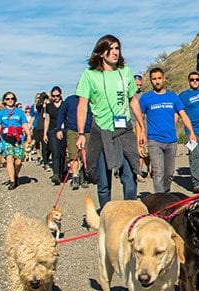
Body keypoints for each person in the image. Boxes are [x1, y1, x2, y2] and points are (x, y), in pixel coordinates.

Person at [74, 35, 145, 210]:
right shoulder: (89, 75)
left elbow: (133, 100)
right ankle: (107, 216)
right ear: (100, 52)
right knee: (104, 182)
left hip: (124, 131)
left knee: (130, 178)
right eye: (110, 48)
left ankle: (130, 214)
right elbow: (82, 105)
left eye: (117, 48)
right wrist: (81, 133)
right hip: (101, 131)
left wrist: (142, 127)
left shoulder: (125, 72)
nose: (114, 52)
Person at [139, 67, 197, 193]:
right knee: (158, 172)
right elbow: (139, 120)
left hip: (171, 141)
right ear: (151, 81)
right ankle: (160, 202)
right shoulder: (146, 98)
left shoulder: (173, 97)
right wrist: (140, 136)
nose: (157, 81)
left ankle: (165, 195)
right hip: (154, 141)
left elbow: (184, 115)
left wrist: (191, 132)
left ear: (164, 79)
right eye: (154, 79)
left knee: (169, 173)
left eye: (159, 78)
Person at [0, 92, 30, 190]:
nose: (10, 100)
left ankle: (16, 176)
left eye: (12, 98)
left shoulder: (19, 112)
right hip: (6, 138)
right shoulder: (1, 113)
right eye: (8, 99)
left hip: (18, 139)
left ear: (15, 99)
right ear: (4, 100)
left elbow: (25, 124)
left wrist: (29, 135)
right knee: (9, 158)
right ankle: (12, 181)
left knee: (18, 162)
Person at [56, 93, 93, 190]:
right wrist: (59, 129)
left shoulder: (90, 100)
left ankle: (83, 174)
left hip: (87, 131)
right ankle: (75, 176)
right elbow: (61, 114)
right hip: (73, 130)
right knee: (73, 154)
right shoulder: (70, 100)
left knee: (86, 155)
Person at [43, 86, 66, 185]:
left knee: (62, 152)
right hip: (52, 130)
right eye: (53, 96)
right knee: (55, 151)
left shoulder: (65, 105)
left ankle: (61, 173)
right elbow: (47, 119)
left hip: (64, 130)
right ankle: (56, 173)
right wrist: (45, 133)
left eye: (57, 95)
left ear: (61, 95)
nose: (56, 97)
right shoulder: (48, 106)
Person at [132, 73, 150, 180]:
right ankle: (138, 171)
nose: (138, 87)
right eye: (136, 85)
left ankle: (148, 170)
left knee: (144, 149)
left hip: (143, 125)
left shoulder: (144, 96)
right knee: (135, 149)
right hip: (131, 124)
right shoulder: (128, 96)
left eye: (140, 85)